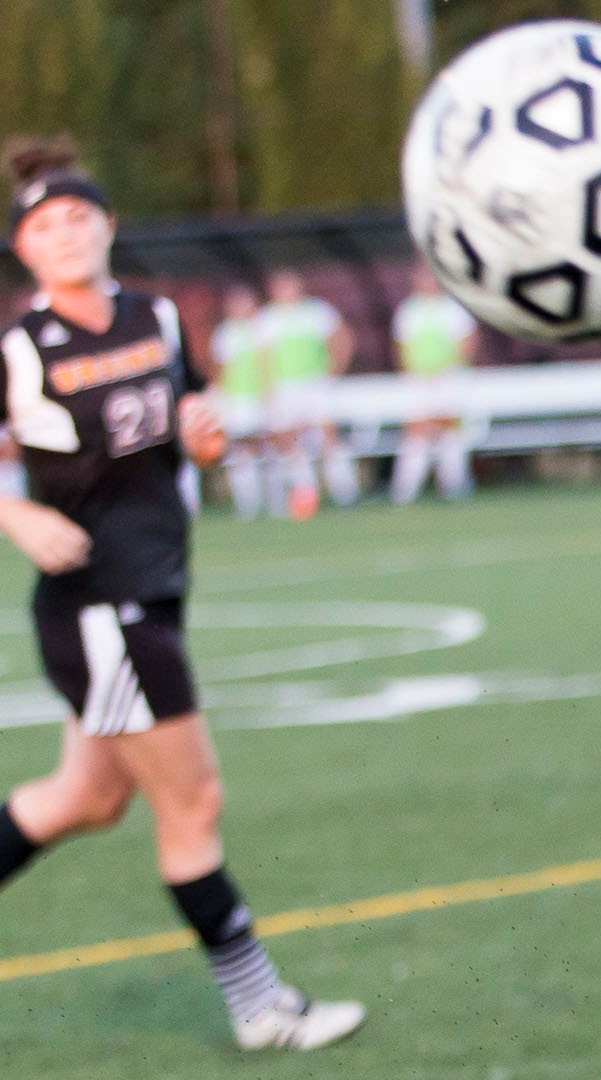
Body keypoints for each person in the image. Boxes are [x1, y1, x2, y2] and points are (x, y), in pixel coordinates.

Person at [0, 135, 364, 1050]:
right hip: (100, 607)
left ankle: (261, 1007)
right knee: (192, 805)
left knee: (84, 800)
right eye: (45, 225)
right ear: (24, 248)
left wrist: (205, 439)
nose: (66, 233)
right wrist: (17, 514)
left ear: (110, 226)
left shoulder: (155, 317)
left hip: (153, 586)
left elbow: (193, 428)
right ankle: (261, 1008)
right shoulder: (21, 346)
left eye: (80, 216)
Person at [257, 267, 357, 518]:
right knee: (289, 439)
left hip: (314, 383)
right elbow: (264, 358)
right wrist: (268, 389)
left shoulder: (316, 311)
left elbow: (342, 338)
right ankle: (305, 492)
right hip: (285, 387)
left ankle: (344, 491)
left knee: (327, 434)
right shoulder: (268, 318)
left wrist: (334, 369)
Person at [389, 262, 478, 504]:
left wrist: (448, 369)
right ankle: (405, 490)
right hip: (419, 381)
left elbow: (467, 343)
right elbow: (401, 347)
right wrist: (412, 373)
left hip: (448, 378)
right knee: (417, 433)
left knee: (450, 430)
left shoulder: (453, 309)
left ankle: (454, 485)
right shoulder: (409, 311)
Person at [209, 282, 273, 519]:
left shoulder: (262, 327)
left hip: (260, 399)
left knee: (267, 447)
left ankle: (275, 500)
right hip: (237, 400)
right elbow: (221, 370)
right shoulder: (225, 333)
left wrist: (268, 392)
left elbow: (268, 363)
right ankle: (248, 503)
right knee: (240, 450)